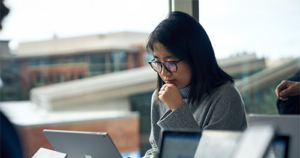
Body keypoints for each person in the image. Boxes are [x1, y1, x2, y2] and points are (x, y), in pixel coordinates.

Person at [142, 11, 247, 158]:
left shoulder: (225, 97)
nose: (164, 73)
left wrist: (178, 109)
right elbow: (157, 149)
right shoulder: (159, 96)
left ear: (195, 58)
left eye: (171, 63)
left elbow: (209, 155)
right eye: (158, 63)